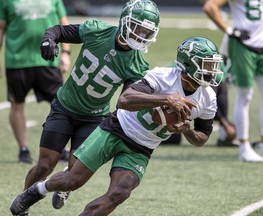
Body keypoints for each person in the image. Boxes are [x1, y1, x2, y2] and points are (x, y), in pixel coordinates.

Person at [10, 36, 224, 216]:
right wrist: (166, 99)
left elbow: (203, 136)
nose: (212, 70)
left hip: (141, 148)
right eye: (207, 64)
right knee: (72, 180)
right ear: (188, 63)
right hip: (116, 129)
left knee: (119, 193)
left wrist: (187, 130)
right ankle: (38, 189)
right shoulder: (163, 77)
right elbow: (125, 100)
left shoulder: (209, 98)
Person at [17, 0, 160, 214]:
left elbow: (127, 100)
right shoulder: (98, 31)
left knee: (75, 170)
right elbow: (57, 30)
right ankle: (24, 202)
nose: (141, 35)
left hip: (94, 117)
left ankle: (64, 182)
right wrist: (49, 40)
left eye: (146, 31)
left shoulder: (137, 64)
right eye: (138, 27)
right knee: (45, 165)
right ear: (124, 22)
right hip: (65, 106)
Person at [203, 0, 263, 162]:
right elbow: (210, 6)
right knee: (245, 96)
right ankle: (244, 147)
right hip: (243, 46)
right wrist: (229, 30)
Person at [0, 0, 71, 164]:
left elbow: (64, 24)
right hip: (17, 61)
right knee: (17, 104)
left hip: (48, 60)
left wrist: (66, 52)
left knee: (62, 104)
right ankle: (23, 149)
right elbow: (1, 27)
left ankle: (62, 149)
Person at [213, 34, 237, 147]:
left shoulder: (221, 64)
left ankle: (223, 135)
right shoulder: (215, 71)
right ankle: (224, 132)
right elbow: (207, 102)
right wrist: (225, 122)